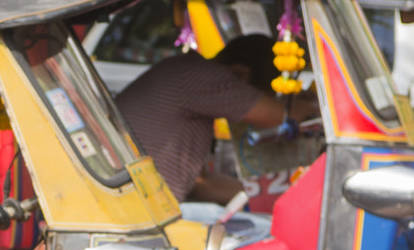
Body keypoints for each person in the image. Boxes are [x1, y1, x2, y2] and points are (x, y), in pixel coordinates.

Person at [115, 34, 315, 204]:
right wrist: (313, 103)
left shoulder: (189, 75)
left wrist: (273, 197)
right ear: (242, 75)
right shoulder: (202, 77)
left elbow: (200, 183)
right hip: (137, 204)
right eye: (262, 95)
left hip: (140, 199)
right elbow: (284, 116)